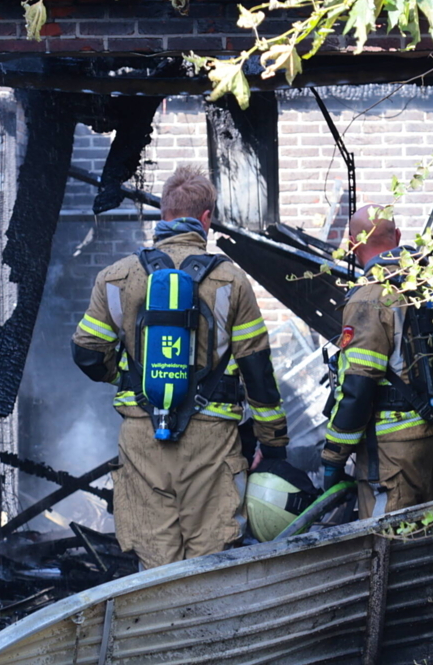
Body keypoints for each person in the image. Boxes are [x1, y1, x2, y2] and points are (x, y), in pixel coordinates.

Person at [71, 166, 288, 569]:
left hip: (141, 437)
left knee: (154, 562)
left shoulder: (115, 278)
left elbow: (86, 353)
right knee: (209, 559)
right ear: (206, 219)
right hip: (212, 441)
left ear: (163, 214)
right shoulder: (231, 282)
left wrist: (128, 379)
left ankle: (158, 630)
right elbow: (257, 370)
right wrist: (272, 443)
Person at [320, 206, 433, 519]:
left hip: (390, 454)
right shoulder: (424, 286)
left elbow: (358, 388)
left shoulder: (369, 298)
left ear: (352, 243)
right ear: (398, 237)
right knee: (423, 541)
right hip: (431, 439)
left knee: (385, 549)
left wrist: (334, 457)